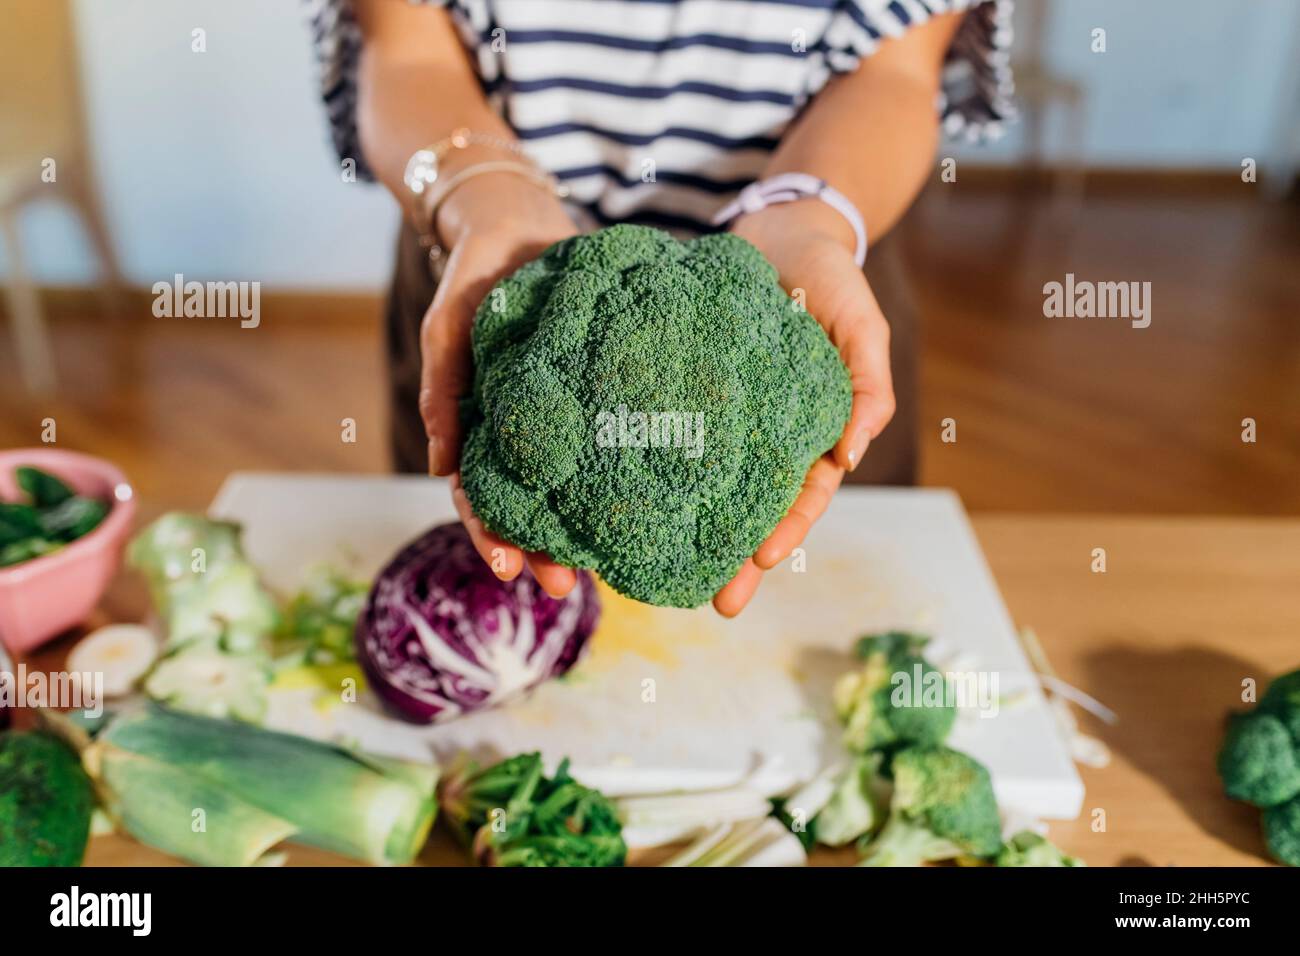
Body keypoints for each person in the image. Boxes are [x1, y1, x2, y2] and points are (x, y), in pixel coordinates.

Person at [308, 0, 1014, 615]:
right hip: (492, 271)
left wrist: (807, 220)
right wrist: (485, 203)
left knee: (838, 611)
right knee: (478, 591)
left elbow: (894, 73)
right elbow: (405, 55)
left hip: (803, 285)